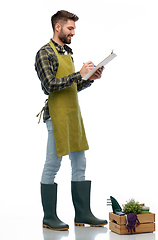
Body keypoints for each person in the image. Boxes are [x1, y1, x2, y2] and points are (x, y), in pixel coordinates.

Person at [35, 10, 107, 231]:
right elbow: (50, 85)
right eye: (70, 28)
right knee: (53, 165)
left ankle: (83, 213)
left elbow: (71, 87)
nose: (73, 33)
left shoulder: (67, 51)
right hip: (56, 116)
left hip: (73, 113)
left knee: (79, 163)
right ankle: (49, 218)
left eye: (74, 29)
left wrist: (88, 78)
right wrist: (78, 74)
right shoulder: (44, 53)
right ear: (58, 27)